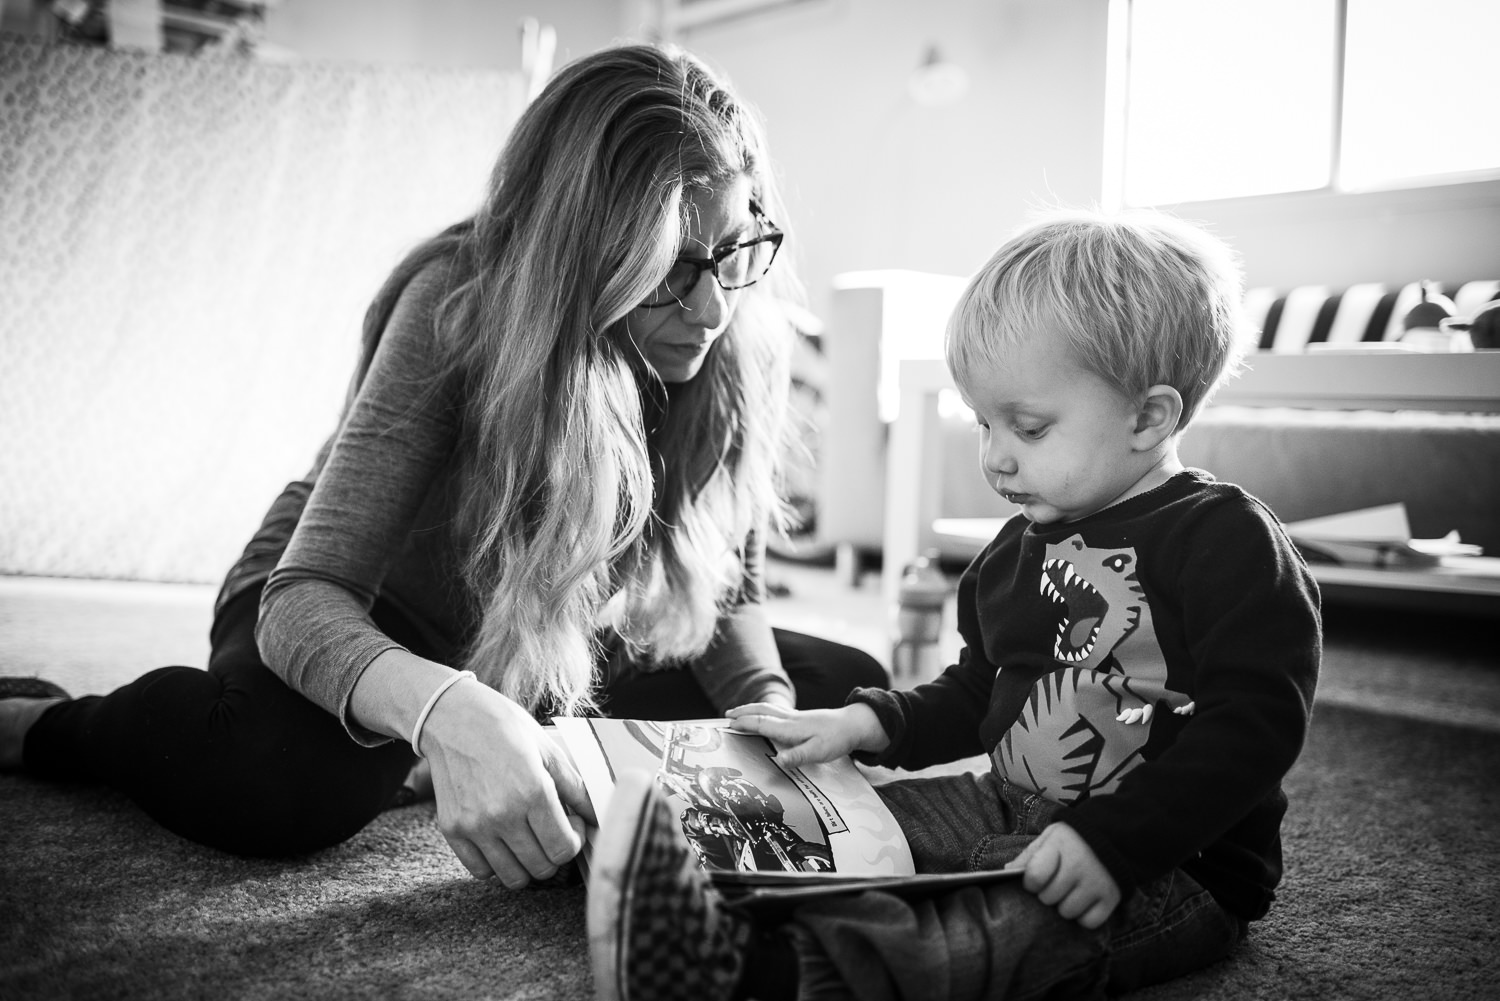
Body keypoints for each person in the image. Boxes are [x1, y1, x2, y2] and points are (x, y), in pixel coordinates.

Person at [0, 43, 886, 888]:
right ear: (579, 258)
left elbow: (725, 576)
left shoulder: (741, 323)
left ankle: (473, 741)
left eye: (732, 252)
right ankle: (49, 725)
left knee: (845, 694)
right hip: (360, 606)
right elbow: (304, 598)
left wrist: (768, 719)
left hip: (547, 624)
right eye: (667, 270)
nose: (712, 308)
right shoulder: (454, 305)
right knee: (279, 778)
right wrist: (447, 714)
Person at [586, 208, 1322, 1001]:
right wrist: (868, 723)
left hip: (1173, 862)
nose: (994, 455)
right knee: (856, 832)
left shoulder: (1225, 538)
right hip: (1005, 799)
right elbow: (980, 692)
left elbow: (1257, 726)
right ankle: (661, 873)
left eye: (1029, 428)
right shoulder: (1016, 547)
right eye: (983, 422)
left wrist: (1115, 842)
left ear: (1149, 416)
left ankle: (755, 973)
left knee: (991, 933)